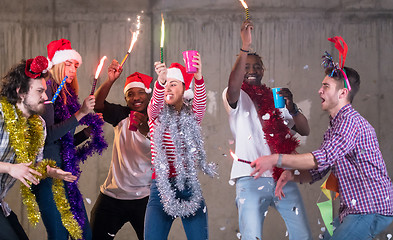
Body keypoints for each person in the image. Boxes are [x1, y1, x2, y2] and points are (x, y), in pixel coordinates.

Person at [251, 37, 393, 240]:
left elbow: (320, 158)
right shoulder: (335, 127)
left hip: (370, 207)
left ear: (343, 93)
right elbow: (319, 170)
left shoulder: (350, 122)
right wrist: (293, 176)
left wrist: (275, 159)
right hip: (354, 210)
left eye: (326, 86)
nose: (319, 90)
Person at [222, 20, 312, 240]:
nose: (251, 70)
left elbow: (304, 129)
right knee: (252, 236)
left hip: (282, 175)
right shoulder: (235, 95)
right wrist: (245, 46)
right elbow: (234, 83)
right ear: (240, 70)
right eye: (246, 67)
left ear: (263, 70)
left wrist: (293, 107)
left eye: (256, 66)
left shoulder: (275, 96)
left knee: (302, 235)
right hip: (250, 177)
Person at [32, 39, 107, 240]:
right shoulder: (46, 90)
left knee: (83, 235)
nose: (73, 69)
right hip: (47, 172)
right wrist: (81, 114)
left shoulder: (66, 93)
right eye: (68, 63)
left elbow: (62, 143)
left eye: (76, 65)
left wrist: (85, 134)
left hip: (65, 171)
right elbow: (47, 138)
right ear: (56, 65)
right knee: (59, 235)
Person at [0, 56, 77, 240]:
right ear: (21, 92)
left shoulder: (38, 125)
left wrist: (51, 171)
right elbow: (14, 169)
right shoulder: (1, 115)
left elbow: (35, 165)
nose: (45, 96)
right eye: (40, 91)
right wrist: (10, 168)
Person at [144, 55, 216, 240]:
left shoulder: (192, 117)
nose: (168, 87)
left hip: (189, 187)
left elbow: (200, 104)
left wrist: (198, 77)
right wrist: (160, 81)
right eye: (166, 84)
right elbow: (154, 106)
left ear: (184, 89)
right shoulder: (156, 116)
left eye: (174, 83)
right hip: (160, 189)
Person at [90, 60, 153, 240]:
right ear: (125, 99)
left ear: (148, 96)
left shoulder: (158, 120)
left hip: (145, 199)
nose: (136, 98)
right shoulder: (121, 115)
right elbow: (96, 104)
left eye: (141, 92)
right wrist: (110, 80)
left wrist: (146, 128)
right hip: (112, 196)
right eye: (130, 94)